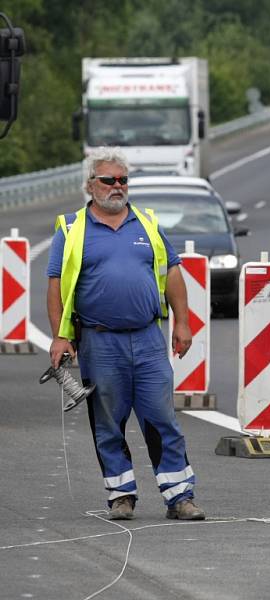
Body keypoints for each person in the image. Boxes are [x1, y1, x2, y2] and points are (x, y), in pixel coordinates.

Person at [46, 147, 205, 521]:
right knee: (107, 421)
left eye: (123, 180)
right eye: (109, 180)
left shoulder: (147, 224)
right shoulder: (71, 230)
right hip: (100, 342)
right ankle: (121, 496)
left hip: (148, 338)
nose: (117, 186)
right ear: (90, 185)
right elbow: (55, 286)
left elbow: (174, 274)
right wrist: (59, 336)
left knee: (161, 417)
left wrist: (182, 323)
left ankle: (180, 497)